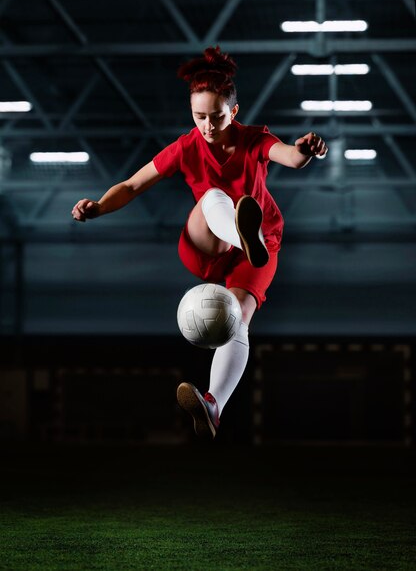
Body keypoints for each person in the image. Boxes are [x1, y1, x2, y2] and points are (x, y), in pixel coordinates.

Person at [72, 46, 328, 440]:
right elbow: (131, 185)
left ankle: (213, 405)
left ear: (235, 111)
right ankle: (241, 231)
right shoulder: (187, 146)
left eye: (217, 116)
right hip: (207, 242)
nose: (208, 125)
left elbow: (290, 158)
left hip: (260, 246)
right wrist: (99, 208)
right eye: (199, 117)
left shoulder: (254, 138)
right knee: (213, 198)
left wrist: (305, 151)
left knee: (238, 319)